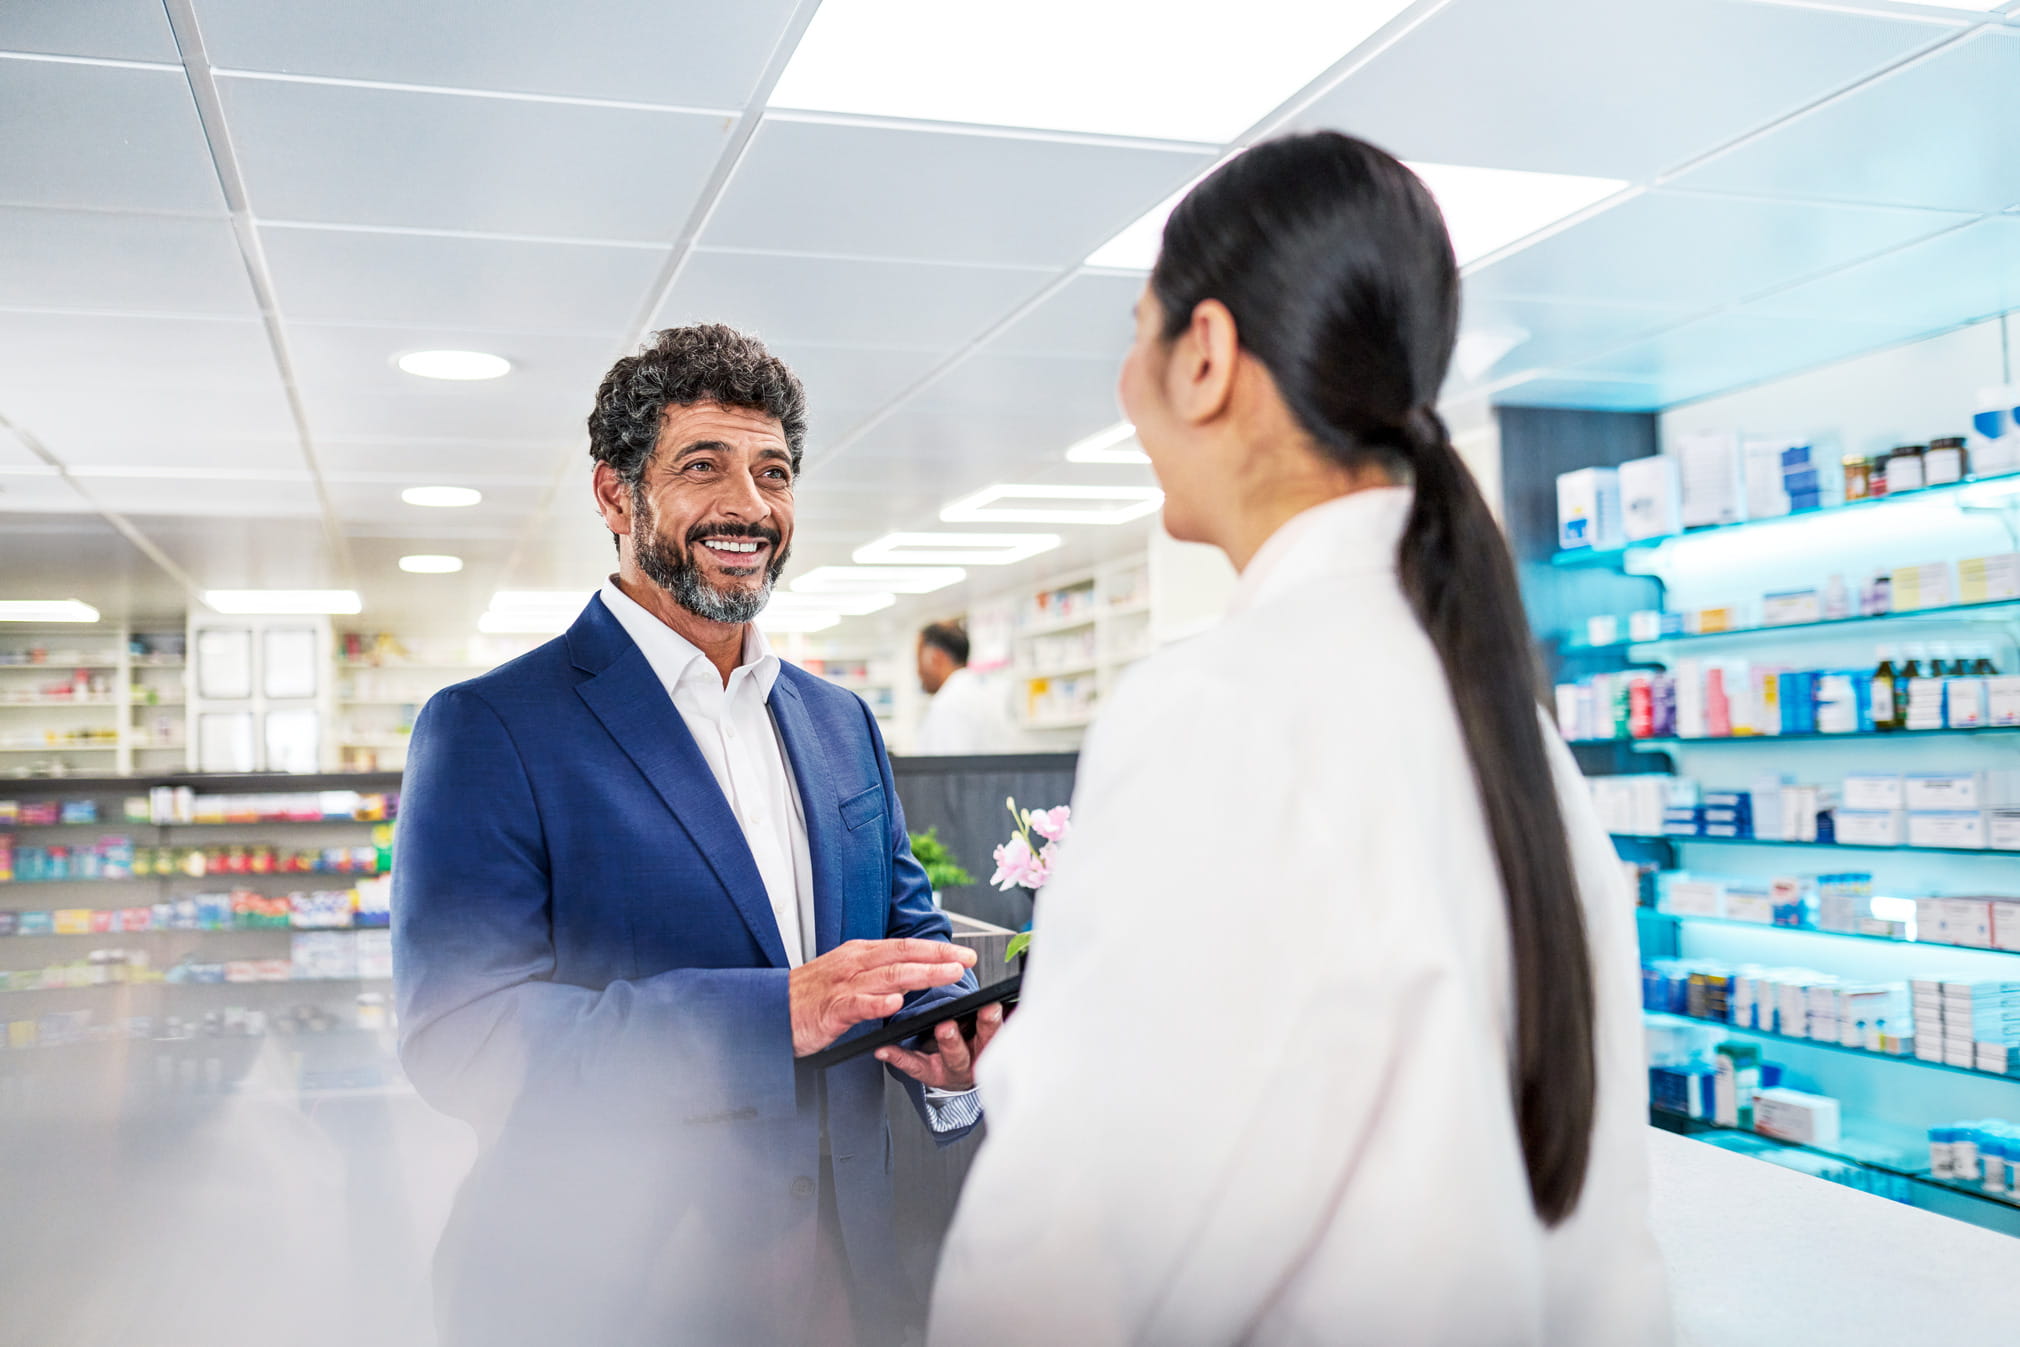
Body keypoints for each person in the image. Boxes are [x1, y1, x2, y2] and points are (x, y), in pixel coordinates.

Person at [928, 134, 1670, 1345]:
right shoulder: (1511, 731)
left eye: (1137, 331)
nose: (1124, 381)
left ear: (1206, 357)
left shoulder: (1219, 711)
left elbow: (1064, 1258)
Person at [393, 324, 1005, 1347]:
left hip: (853, 1281)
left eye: (773, 472)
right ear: (613, 495)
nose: (750, 508)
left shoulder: (839, 722)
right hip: (621, 1289)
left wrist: (952, 1051)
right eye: (702, 467)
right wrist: (777, 1012)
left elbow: (902, 950)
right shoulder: (491, 728)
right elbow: (464, 1039)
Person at [913, 622, 1020, 755]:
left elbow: (944, 769)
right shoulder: (987, 693)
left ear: (937, 658)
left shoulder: (948, 704)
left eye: (918, 661)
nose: (918, 672)